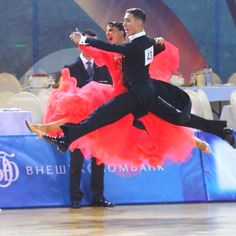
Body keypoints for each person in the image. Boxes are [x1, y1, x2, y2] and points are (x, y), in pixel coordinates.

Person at [26, 20, 212, 169]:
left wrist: (159, 44)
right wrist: (80, 41)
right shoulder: (110, 52)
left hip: (137, 98)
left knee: (162, 126)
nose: (108, 34)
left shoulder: (135, 48)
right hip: (116, 97)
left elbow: (153, 53)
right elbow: (94, 50)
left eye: (112, 31)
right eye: (107, 31)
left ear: (122, 32)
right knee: (80, 109)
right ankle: (46, 128)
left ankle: (196, 141)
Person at [44, 30, 113, 208]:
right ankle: (75, 197)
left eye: (94, 44)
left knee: (99, 160)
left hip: (99, 121)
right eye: (88, 43)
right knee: (77, 161)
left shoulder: (104, 68)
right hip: (78, 123)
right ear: (80, 45)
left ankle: (98, 196)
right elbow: (63, 95)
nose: (91, 47)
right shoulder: (70, 69)